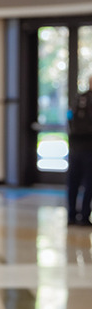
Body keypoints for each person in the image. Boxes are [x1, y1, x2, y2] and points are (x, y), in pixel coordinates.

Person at [67, 75, 92, 226]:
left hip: (75, 148)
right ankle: (83, 216)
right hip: (89, 149)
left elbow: (69, 119)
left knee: (73, 183)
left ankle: (71, 215)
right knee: (89, 184)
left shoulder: (78, 99)